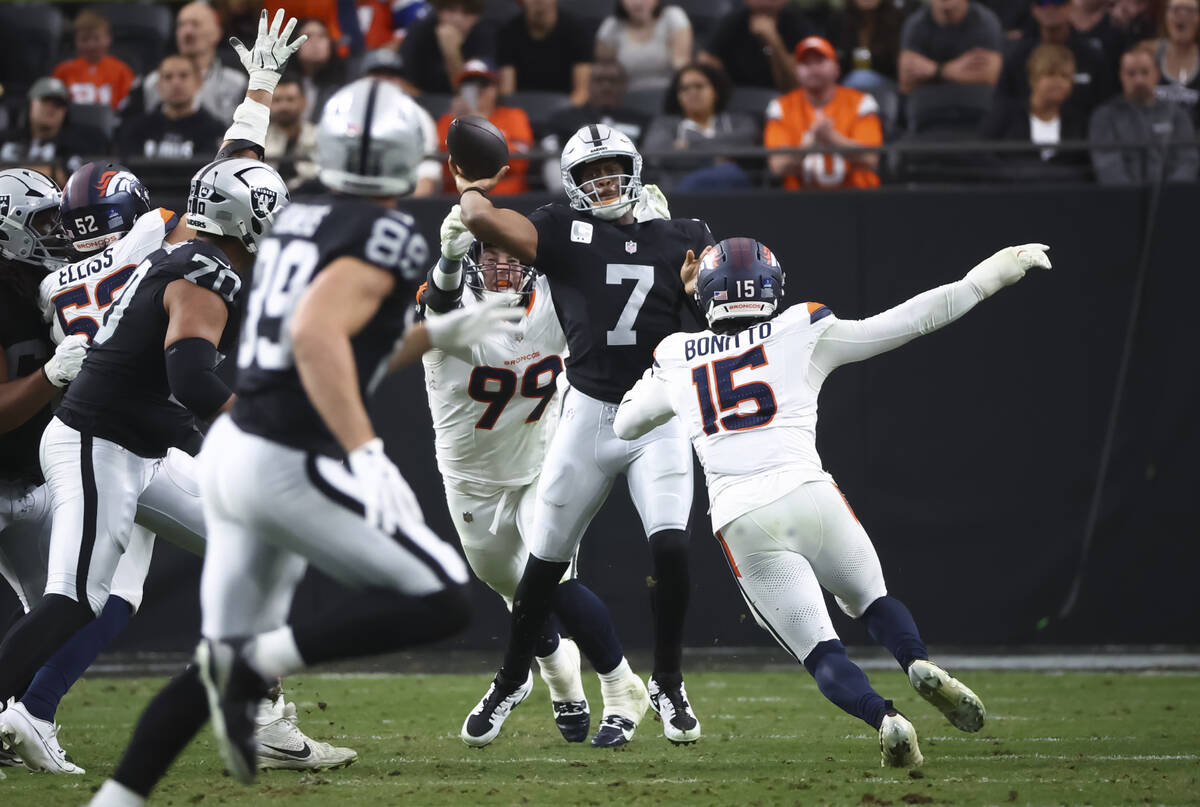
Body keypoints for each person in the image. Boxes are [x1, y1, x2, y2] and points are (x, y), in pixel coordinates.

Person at [86, 77, 522, 806]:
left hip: (231, 454)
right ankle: (265, 660)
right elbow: (316, 333)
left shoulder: (299, 214)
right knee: (444, 598)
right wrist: (364, 450)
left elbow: (334, 342)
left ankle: (119, 795)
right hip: (286, 457)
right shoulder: (382, 233)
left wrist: (434, 333)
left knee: (212, 668)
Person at [0, 11, 356, 780]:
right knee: (71, 600)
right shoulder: (177, 250)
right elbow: (192, 372)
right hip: (104, 436)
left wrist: (258, 89)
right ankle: (24, 709)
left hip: (135, 432)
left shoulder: (95, 268)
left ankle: (255, 713)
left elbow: (228, 177)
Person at [614, 237, 1050, 764]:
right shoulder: (804, 326)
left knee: (821, 652)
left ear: (705, 294)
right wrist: (991, 276)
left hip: (743, 515)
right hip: (810, 493)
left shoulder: (675, 354)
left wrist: (670, 371)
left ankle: (884, 718)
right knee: (872, 600)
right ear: (771, 289)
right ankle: (915, 662)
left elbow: (626, 422)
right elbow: (909, 320)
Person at [450, 123, 714, 748]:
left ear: (636, 168)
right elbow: (487, 227)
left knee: (672, 550)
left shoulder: (683, 235)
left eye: (613, 168)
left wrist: (699, 293)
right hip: (589, 410)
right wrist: (471, 188)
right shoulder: (561, 230)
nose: (604, 181)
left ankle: (669, 684)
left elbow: (717, 318)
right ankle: (513, 676)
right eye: (591, 173)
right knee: (542, 568)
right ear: (572, 182)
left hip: (656, 413)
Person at [418, 222, 642, 745]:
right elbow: (440, 302)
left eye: (514, 258)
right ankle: (560, 672)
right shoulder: (449, 306)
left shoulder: (555, 300)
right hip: (471, 481)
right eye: (492, 258)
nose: (504, 268)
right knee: (510, 586)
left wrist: (648, 233)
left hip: (543, 465)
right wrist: (448, 259)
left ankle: (618, 685)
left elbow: (624, 288)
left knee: (553, 584)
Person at [765, 37, 884, 189]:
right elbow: (778, 166)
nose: (813, 68)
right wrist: (809, 144)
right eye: (806, 63)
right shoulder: (780, 107)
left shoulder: (861, 102)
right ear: (796, 71)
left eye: (820, 61)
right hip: (800, 202)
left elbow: (870, 158)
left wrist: (832, 138)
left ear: (836, 68)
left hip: (857, 198)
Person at [1089, 42, 1199, 183]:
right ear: (1121, 76)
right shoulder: (1104, 116)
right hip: (1121, 200)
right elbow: (1107, 166)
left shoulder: (1177, 115)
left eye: (1145, 72)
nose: (1139, 80)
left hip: (1172, 199)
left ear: (1157, 75)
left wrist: (1171, 196)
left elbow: (1188, 161)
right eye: (1131, 74)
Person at [641, 62, 759, 190]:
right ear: (678, 97)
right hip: (682, 196)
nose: (692, 92)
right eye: (684, 88)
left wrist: (689, 146)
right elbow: (656, 155)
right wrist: (720, 155)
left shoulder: (739, 121)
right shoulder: (664, 124)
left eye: (699, 86)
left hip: (735, 195)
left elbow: (748, 143)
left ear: (716, 91)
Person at [994, 0, 1114, 120]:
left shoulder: (1092, 57)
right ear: (1034, 10)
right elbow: (1003, 105)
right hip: (1025, 134)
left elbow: (1105, 107)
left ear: (1071, 7)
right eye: (1042, 3)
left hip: (1081, 135)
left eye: (1058, 2)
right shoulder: (1017, 58)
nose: (1050, 8)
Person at [539, 61, 651, 189]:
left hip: (630, 186)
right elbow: (550, 153)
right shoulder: (564, 119)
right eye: (599, 80)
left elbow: (651, 160)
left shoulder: (641, 120)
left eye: (613, 81)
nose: (606, 86)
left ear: (624, 85)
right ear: (588, 84)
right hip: (579, 186)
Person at [981, 43, 1090, 173]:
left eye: (1065, 76)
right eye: (1050, 74)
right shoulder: (1005, 114)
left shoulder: (1079, 121)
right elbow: (982, 155)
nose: (1058, 82)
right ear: (1034, 79)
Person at [899, 0, 1004, 133]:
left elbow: (991, 76)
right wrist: (951, 70)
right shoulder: (916, 23)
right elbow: (905, 83)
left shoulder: (984, 20)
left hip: (976, 110)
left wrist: (934, 70)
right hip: (927, 113)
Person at [135, 1, 248, 122]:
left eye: (196, 24)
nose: (187, 32)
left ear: (217, 33)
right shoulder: (152, 83)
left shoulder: (237, 84)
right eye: (181, 25)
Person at [436, 59, 533, 194]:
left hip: (509, 198)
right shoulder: (449, 120)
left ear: (495, 88)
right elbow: (446, 163)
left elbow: (519, 163)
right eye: (468, 85)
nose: (477, 90)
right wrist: (464, 120)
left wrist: (478, 120)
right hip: (461, 197)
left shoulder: (514, 116)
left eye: (483, 84)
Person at [361, 48, 444, 197]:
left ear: (400, 80)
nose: (384, 81)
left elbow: (427, 174)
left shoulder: (417, 115)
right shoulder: (350, 110)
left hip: (401, 197)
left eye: (390, 75)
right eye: (377, 74)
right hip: (356, 196)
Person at [117, 55, 227, 159]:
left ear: (198, 82)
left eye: (183, 75)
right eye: (168, 77)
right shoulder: (136, 129)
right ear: (159, 85)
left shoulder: (214, 131)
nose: (176, 83)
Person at [701, 0, 814, 91]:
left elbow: (797, 82)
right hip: (737, 96)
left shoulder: (797, 23)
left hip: (783, 97)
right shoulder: (732, 21)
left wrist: (773, 40)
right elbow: (706, 59)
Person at [497, 0, 592, 104]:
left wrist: (565, 116)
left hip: (566, 110)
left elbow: (582, 92)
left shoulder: (576, 30)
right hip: (521, 112)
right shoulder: (509, 32)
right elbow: (507, 93)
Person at [0, 78, 100, 175]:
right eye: (46, 100)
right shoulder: (6, 139)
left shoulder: (77, 145)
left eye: (59, 104)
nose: (51, 108)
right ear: (31, 103)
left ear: (65, 111)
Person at [399, 0, 495, 95]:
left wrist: (452, 52)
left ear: (477, 17)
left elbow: (470, 97)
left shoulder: (484, 35)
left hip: (462, 106)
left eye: (467, 12)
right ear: (438, 11)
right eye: (451, 10)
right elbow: (403, 82)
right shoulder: (420, 31)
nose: (458, 19)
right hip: (422, 101)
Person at [595, 0, 693, 93]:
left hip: (668, 92)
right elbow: (604, 73)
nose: (638, 2)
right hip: (624, 97)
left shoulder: (673, 16)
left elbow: (681, 65)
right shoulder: (612, 26)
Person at [52, 9, 136, 109]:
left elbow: (127, 108)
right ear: (76, 41)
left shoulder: (121, 70)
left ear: (108, 39)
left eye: (96, 38)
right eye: (84, 39)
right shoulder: (63, 70)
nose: (91, 45)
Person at [825, 0, 916, 87]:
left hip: (886, 83)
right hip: (847, 81)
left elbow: (896, 65)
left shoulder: (897, 19)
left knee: (860, 78)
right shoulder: (839, 20)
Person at [265, 73, 319, 188]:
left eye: (290, 100)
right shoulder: (258, 139)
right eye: (277, 100)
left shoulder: (319, 137)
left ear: (303, 102)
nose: (284, 106)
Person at [1153, 0, 1200, 125]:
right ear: (1165, 16)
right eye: (1176, 10)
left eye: (1190, 11)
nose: (1182, 15)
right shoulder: (1148, 55)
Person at [293, 18, 348, 123]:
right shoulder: (279, 83)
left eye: (322, 36)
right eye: (307, 37)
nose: (315, 42)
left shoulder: (344, 87)